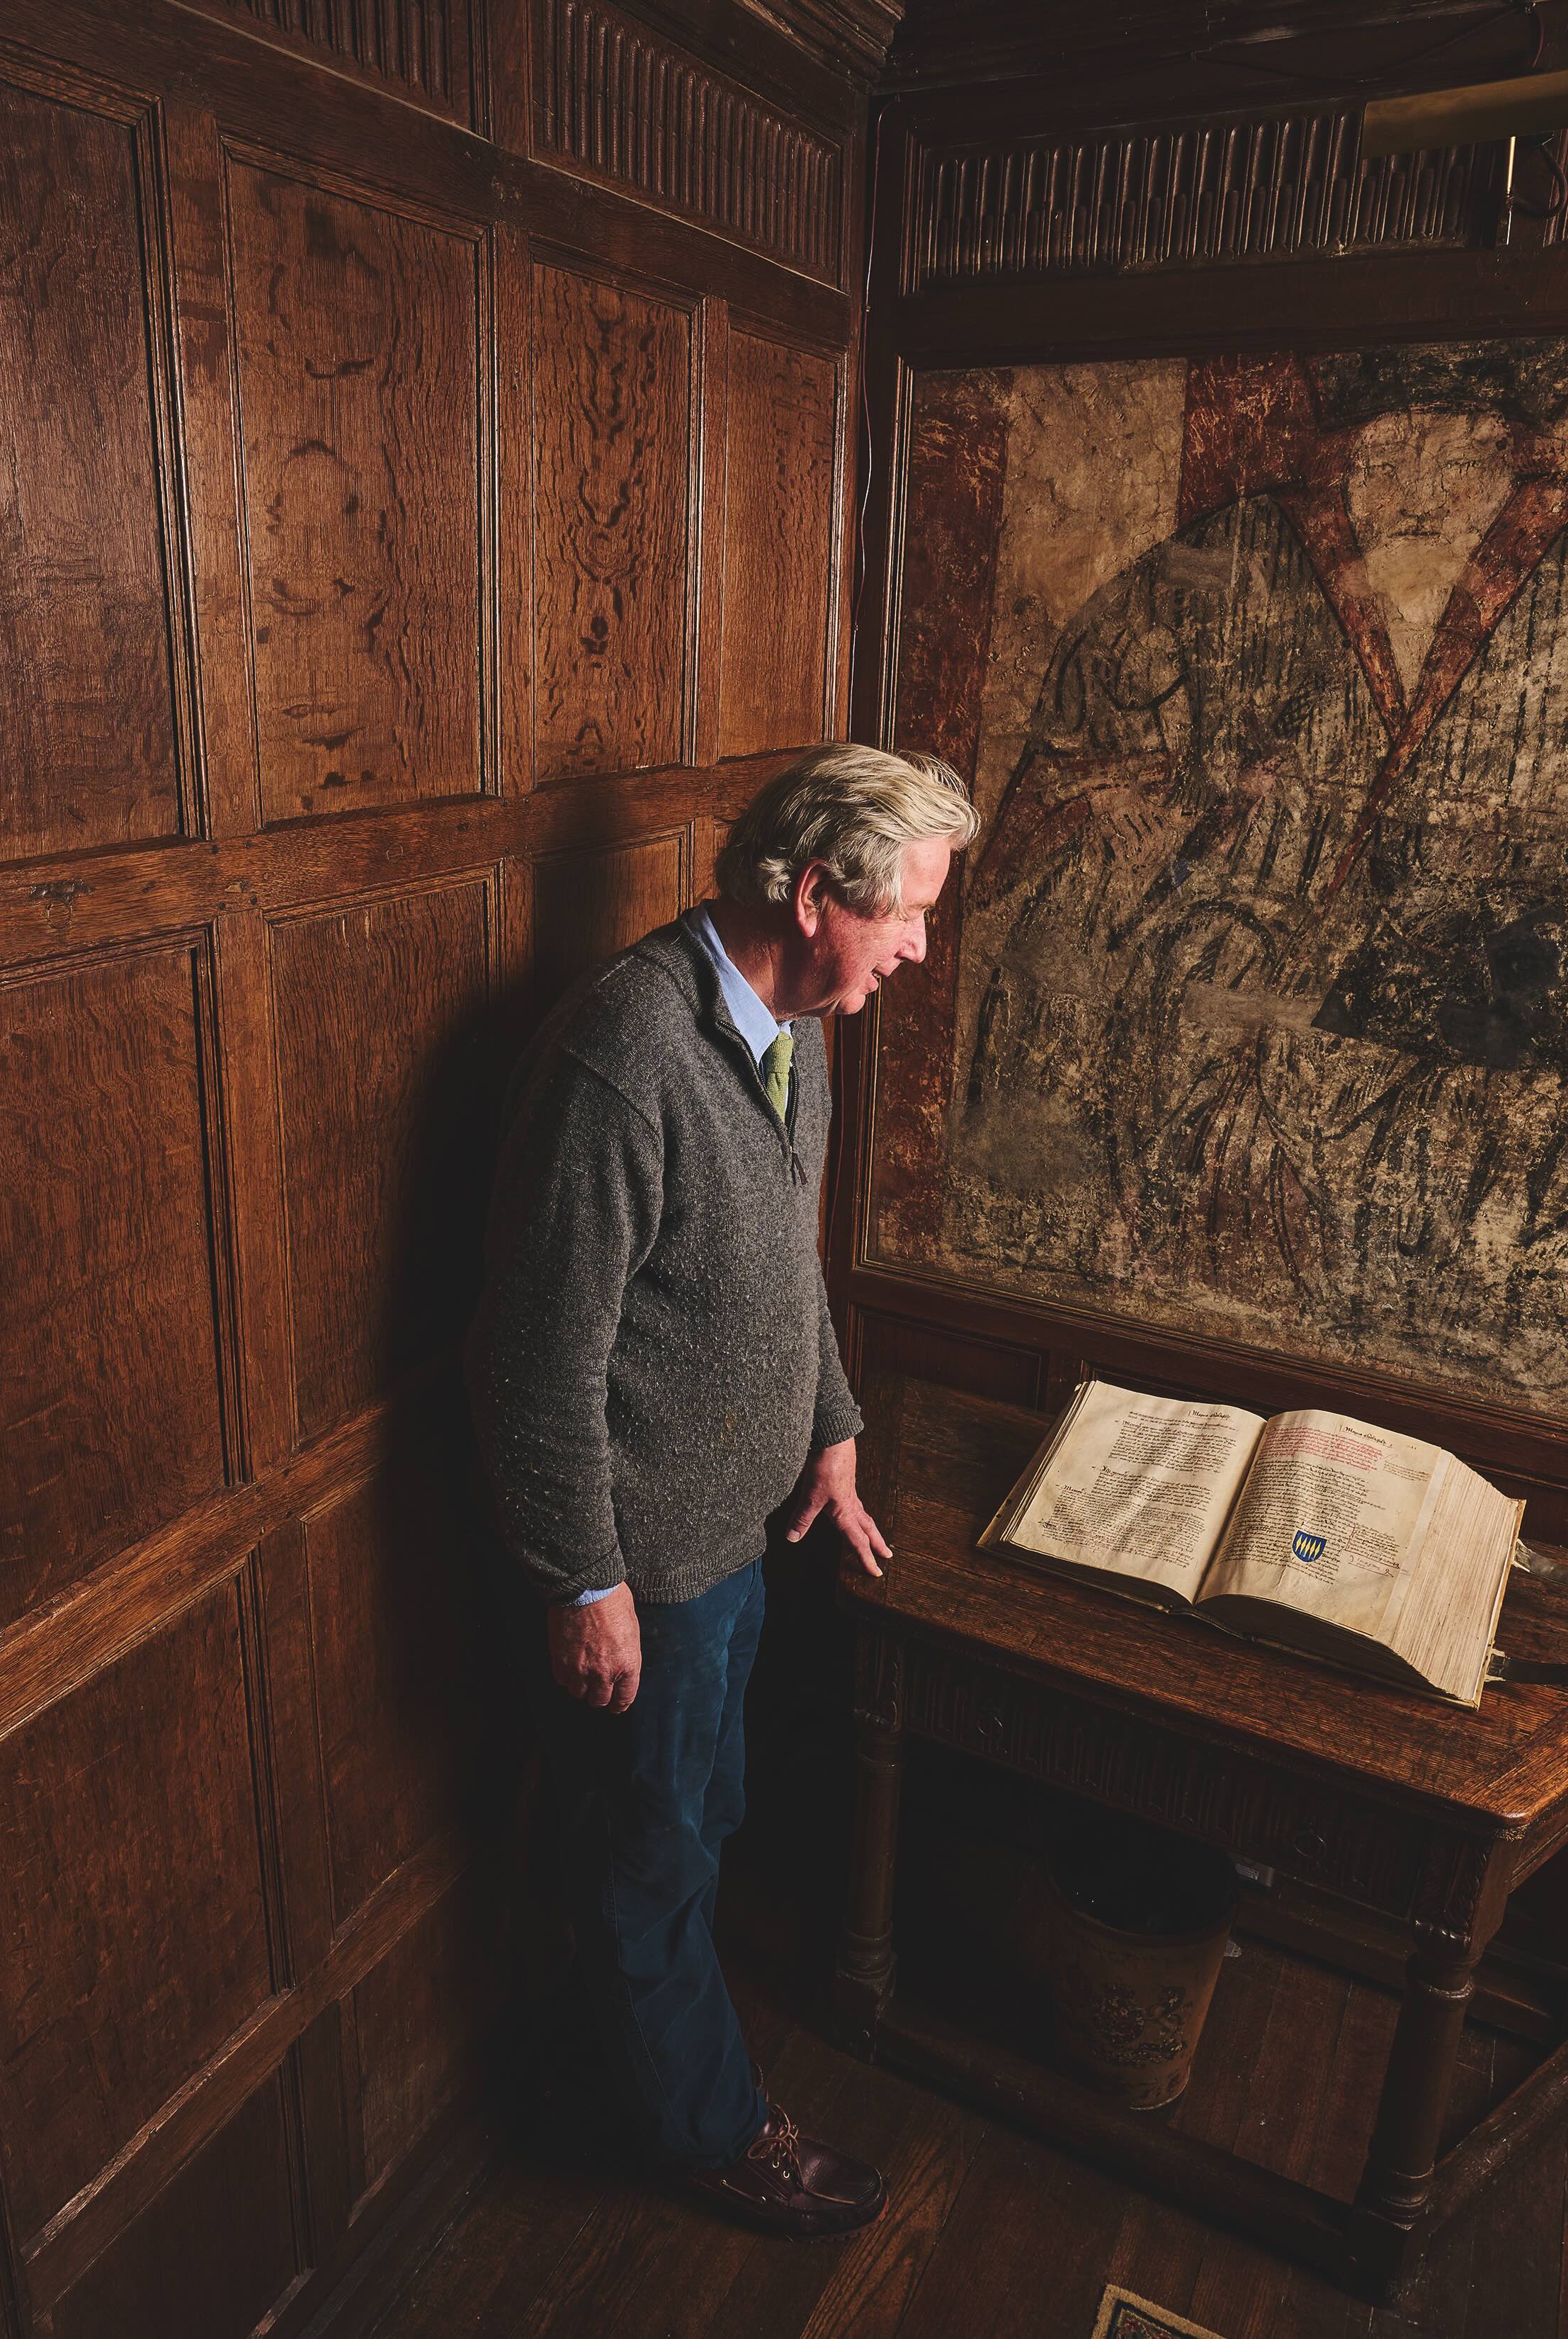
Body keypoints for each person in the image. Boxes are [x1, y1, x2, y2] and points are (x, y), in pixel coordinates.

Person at [469, 741, 977, 2239]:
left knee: (698, 1819)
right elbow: (531, 1358)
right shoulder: (621, 1058)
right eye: (907, 914)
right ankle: (708, 2131)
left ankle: (646, 2046)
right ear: (817, 893)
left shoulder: (794, 1023)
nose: (918, 947)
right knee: (649, 1852)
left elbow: (779, 1266)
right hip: (649, 1570)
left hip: (740, 1537)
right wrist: (580, 1578)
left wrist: (827, 1423)